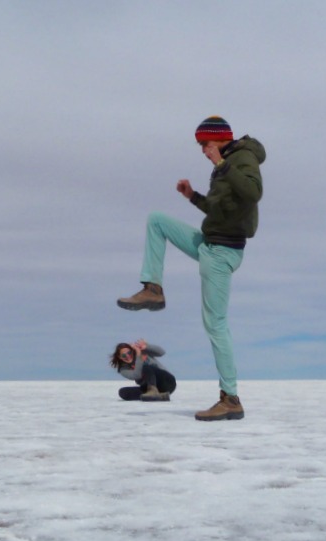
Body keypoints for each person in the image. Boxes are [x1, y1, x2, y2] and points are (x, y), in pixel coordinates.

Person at [117, 115, 265, 421]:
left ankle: (230, 398)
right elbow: (219, 210)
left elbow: (253, 193)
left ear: (219, 138)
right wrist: (193, 196)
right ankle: (152, 290)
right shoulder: (226, 162)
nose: (202, 150)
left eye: (205, 144)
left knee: (216, 324)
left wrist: (221, 165)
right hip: (209, 242)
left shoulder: (243, 158)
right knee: (157, 220)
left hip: (223, 252)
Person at [110, 339, 176, 402]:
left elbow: (162, 352)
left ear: (132, 351)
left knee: (146, 367)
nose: (128, 356)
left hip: (167, 382)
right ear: (120, 357)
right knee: (123, 392)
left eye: (129, 352)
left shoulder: (143, 352)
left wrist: (147, 347)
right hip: (152, 388)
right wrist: (139, 357)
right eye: (124, 355)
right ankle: (159, 396)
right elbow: (137, 375)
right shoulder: (123, 369)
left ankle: (152, 391)